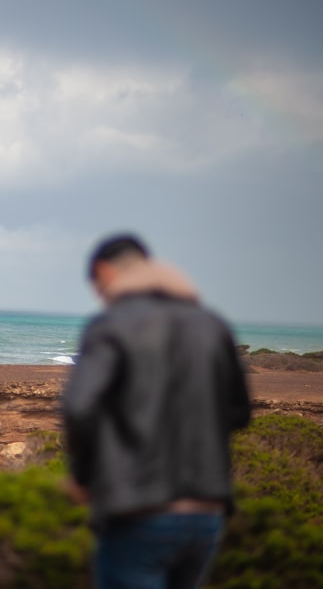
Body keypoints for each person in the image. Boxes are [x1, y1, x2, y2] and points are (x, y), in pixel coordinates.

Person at [62, 233, 252, 589]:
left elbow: (80, 406)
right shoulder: (212, 325)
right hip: (206, 512)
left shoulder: (111, 324)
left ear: (104, 272)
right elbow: (239, 412)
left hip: (137, 512)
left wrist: (84, 478)